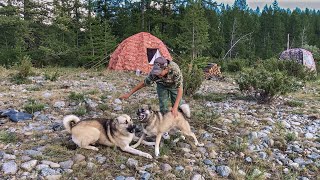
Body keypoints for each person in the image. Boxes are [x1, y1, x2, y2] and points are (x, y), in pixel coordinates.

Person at [119, 56, 184, 119]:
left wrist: (175, 107)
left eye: (159, 73)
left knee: (178, 105)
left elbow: (180, 89)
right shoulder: (154, 74)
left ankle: (179, 120)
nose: (157, 74)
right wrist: (129, 94)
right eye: (156, 72)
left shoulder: (175, 70)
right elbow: (143, 83)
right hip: (161, 85)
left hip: (174, 85)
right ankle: (165, 121)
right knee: (163, 106)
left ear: (166, 69)